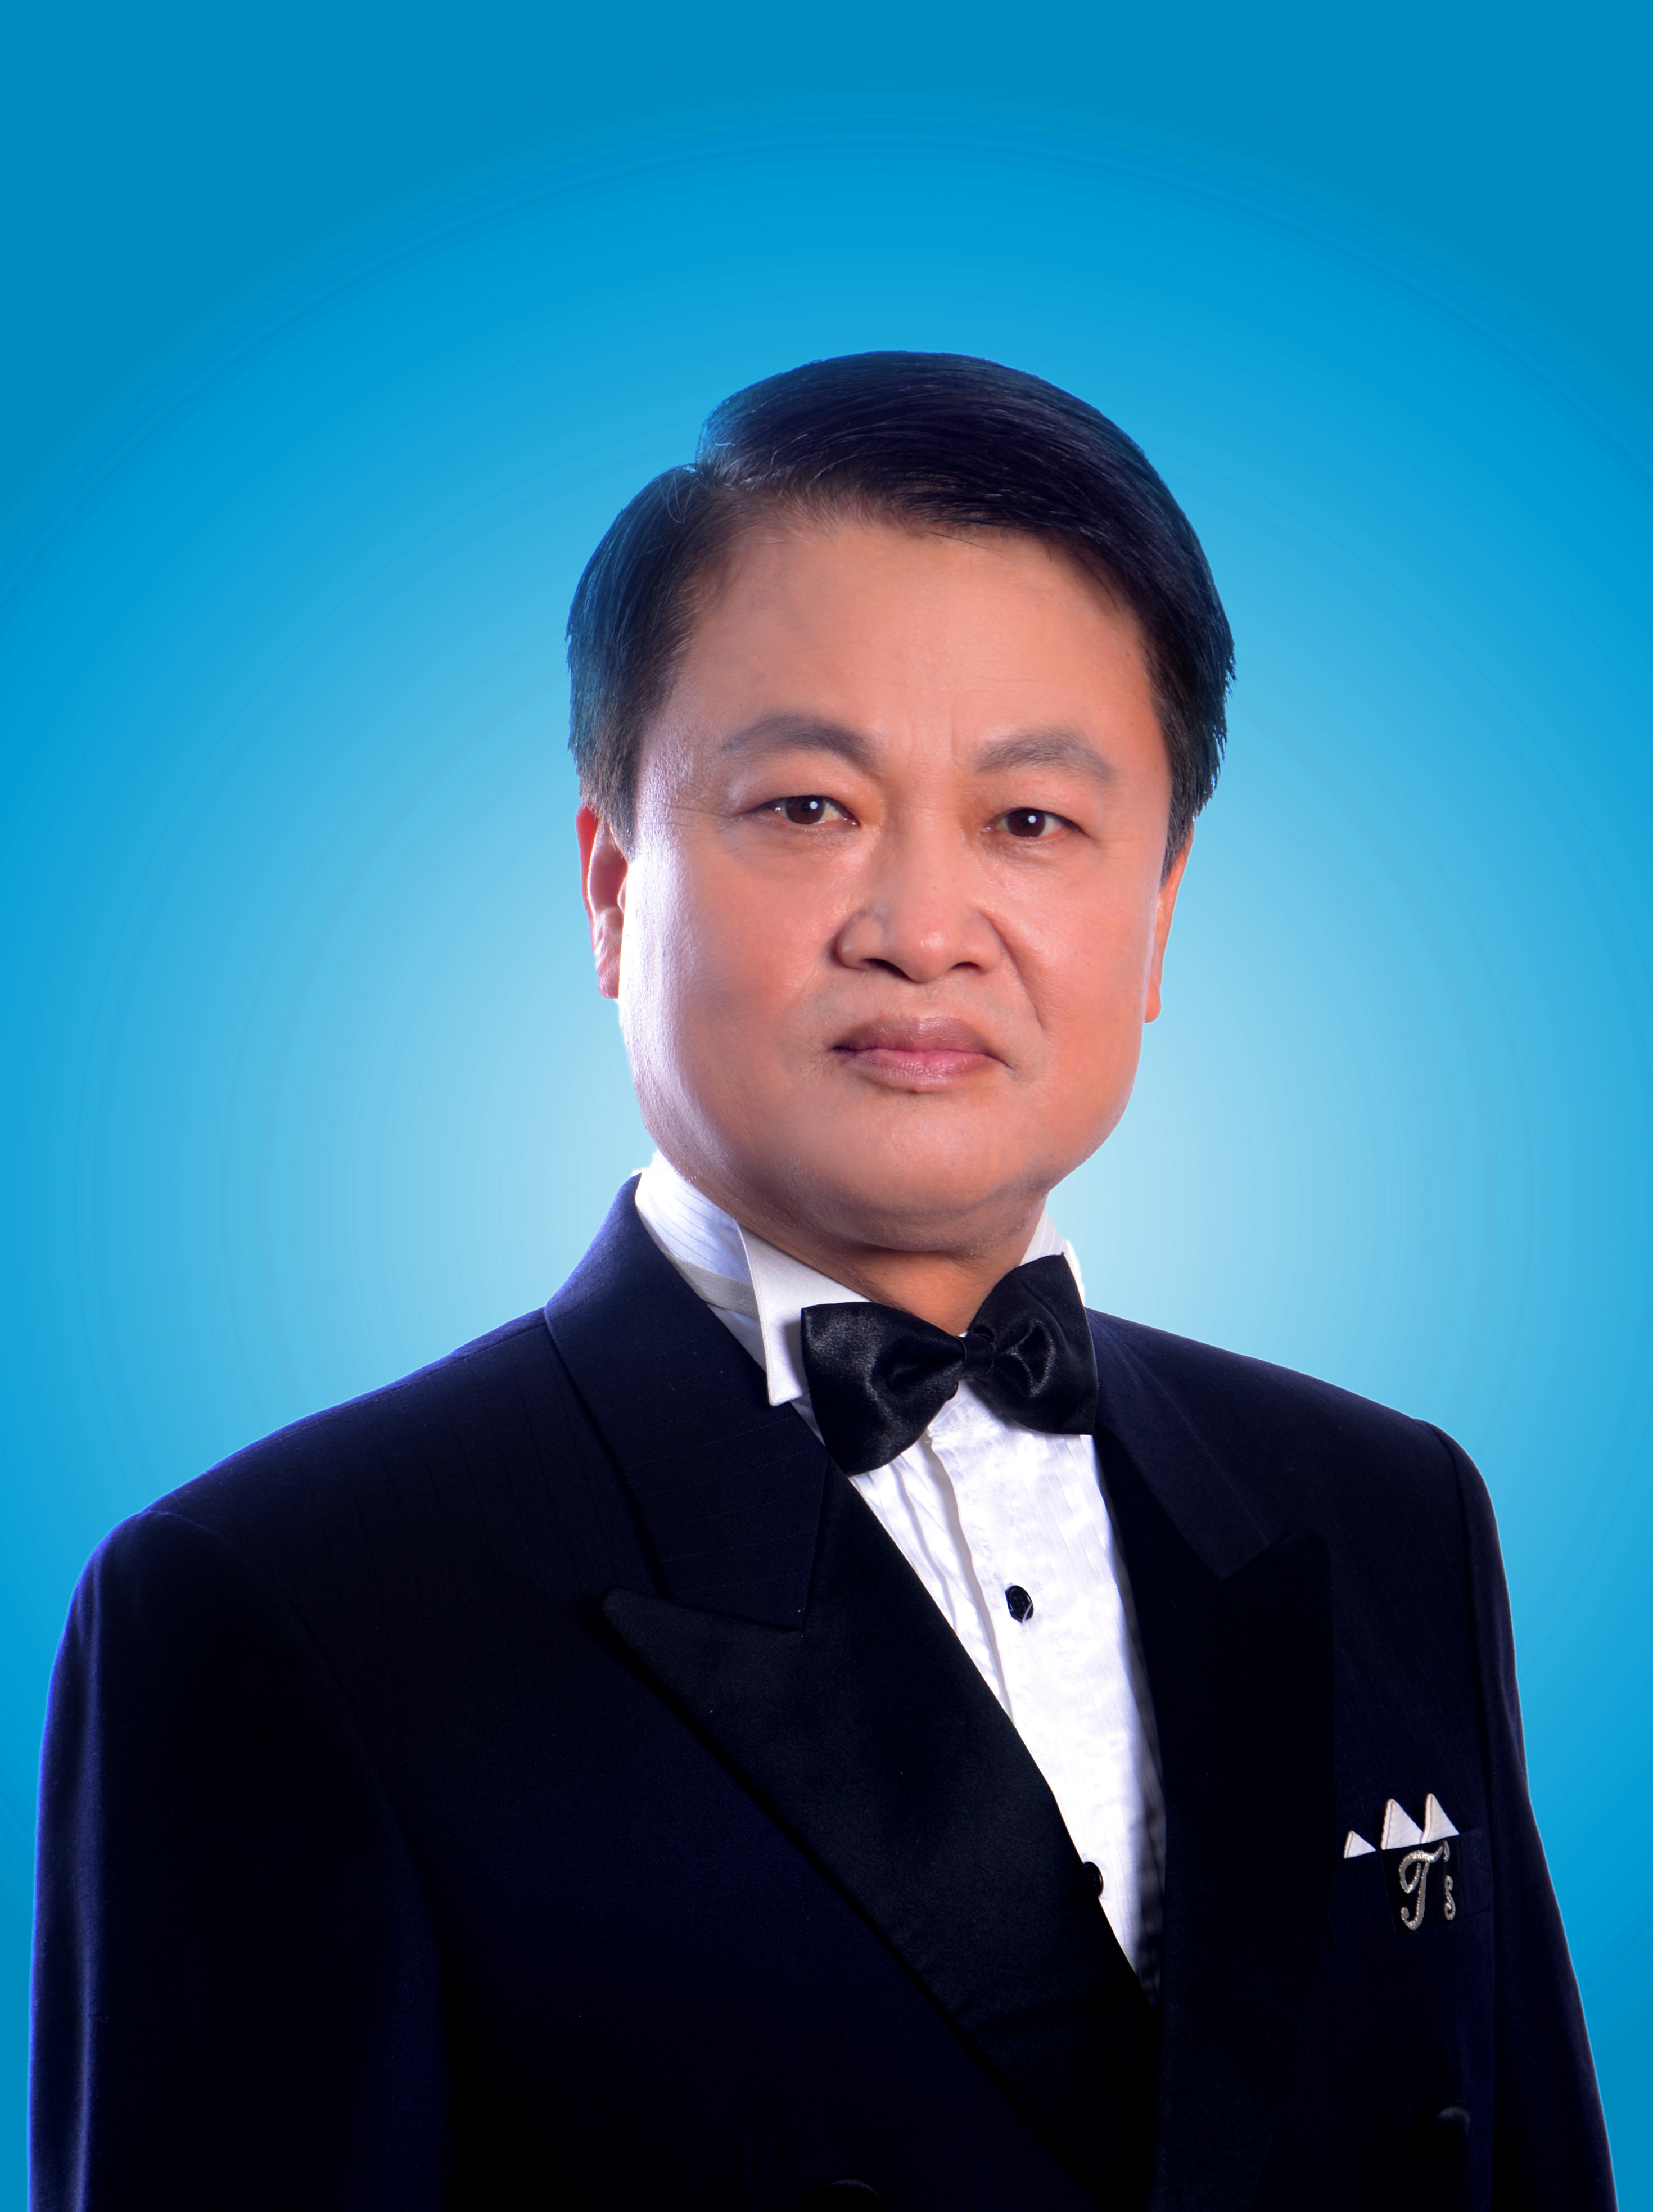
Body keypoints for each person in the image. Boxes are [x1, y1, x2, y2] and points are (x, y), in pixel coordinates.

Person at [31, 353, 1615, 2211]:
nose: (922, 931)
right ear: (611, 887)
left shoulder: (1386, 1507)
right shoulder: (281, 1603)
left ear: (1160, 909)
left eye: (1030, 822)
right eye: (805, 807)